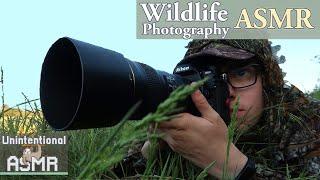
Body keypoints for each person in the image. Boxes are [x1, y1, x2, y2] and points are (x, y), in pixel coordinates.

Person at [114, 39, 320, 179]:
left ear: (267, 82)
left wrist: (233, 167)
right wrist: (149, 155)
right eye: (207, 80)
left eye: (240, 73)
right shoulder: (184, 119)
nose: (226, 92)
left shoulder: (306, 120)